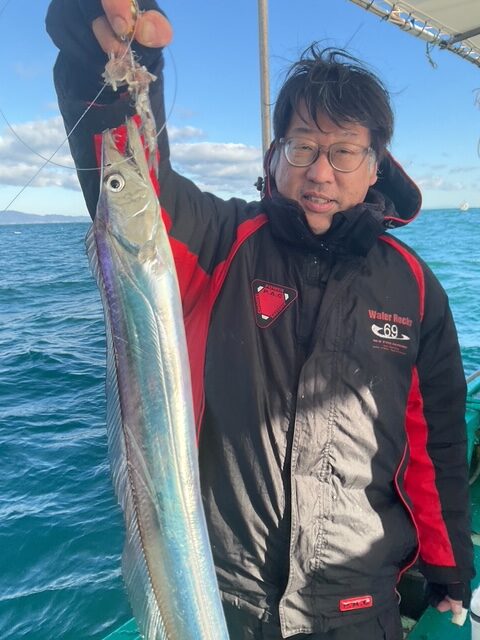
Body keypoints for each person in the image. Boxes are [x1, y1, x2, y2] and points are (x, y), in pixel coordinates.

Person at [46, 1, 474, 638]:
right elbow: (133, 187)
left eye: (344, 152)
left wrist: (448, 564)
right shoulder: (220, 239)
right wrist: (106, 60)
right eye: (302, 147)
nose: (320, 172)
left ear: (377, 164)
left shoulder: (413, 286)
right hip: (225, 602)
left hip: (359, 606)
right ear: (275, 154)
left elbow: (435, 436)